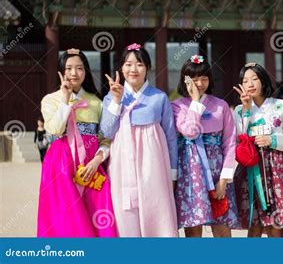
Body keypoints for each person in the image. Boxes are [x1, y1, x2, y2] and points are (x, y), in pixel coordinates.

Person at [100, 43, 178, 237]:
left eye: (139, 64)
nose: (133, 69)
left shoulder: (159, 97)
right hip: (122, 163)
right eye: (128, 64)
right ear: (121, 68)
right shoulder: (111, 97)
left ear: (148, 68)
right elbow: (107, 131)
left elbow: (170, 137)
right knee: (125, 212)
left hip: (153, 163)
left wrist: (173, 172)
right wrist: (117, 101)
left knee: (156, 209)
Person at [38, 49, 116, 237]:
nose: (74, 73)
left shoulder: (97, 102)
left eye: (80, 68)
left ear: (86, 72)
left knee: (97, 211)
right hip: (60, 165)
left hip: (90, 164)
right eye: (69, 68)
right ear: (61, 71)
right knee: (64, 216)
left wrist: (97, 161)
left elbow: (105, 139)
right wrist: (65, 101)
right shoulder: (50, 100)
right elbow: (55, 130)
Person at [233, 63, 283, 237]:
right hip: (251, 169)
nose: (250, 84)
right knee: (254, 225)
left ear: (263, 81)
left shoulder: (282, 106)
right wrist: (247, 110)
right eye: (245, 80)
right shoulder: (240, 110)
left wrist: (273, 140)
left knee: (277, 224)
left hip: (277, 169)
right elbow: (238, 138)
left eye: (254, 79)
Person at [172, 55, 239, 237]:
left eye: (204, 78)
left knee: (222, 226)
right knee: (194, 226)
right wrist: (195, 102)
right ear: (185, 81)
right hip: (191, 172)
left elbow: (230, 142)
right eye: (194, 79)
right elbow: (190, 132)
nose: (199, 83)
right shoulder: (177, 106)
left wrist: (224, 179)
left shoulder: (221, 105)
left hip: (217, 171)